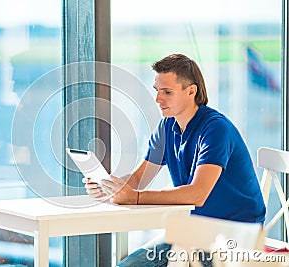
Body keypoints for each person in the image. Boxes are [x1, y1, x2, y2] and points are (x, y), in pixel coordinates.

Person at [83, 53, 266, 267]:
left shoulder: (216, 129)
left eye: (167, 92)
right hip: (195, 232)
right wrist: (109, 187)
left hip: (234, 238)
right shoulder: (167, 127)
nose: (158, 99)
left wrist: (135, 197)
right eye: (157, 91)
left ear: (191, 91)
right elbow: (138, 180)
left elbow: (197, 194)